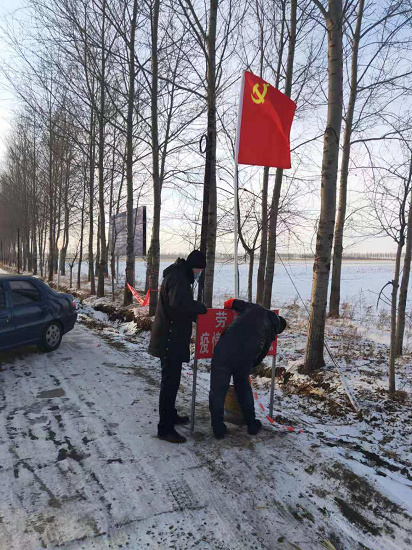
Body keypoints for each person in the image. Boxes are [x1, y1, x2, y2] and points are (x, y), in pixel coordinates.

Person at [149, 250, 207, 443]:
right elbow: (178, 305)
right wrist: (199, 308)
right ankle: (165, 428)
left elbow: (180, 306)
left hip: (171, 338)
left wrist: (196, 315)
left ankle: (171, 415)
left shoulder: (178, 276)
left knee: (172, 382)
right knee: (169, 384)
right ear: (194, 267)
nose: (199, 274)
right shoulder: (179, 279)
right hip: (169, 340)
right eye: (199, 270)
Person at [209, 298, 287, 439]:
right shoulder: (271, 334)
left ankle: (218, 428)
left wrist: (226, 309)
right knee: (244, 390)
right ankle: (251, 424)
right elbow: (260, 356)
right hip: (245, 360)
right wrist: (249, 366)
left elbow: (231, 302)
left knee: (218, 390)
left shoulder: (254, 308)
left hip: (223, 351)